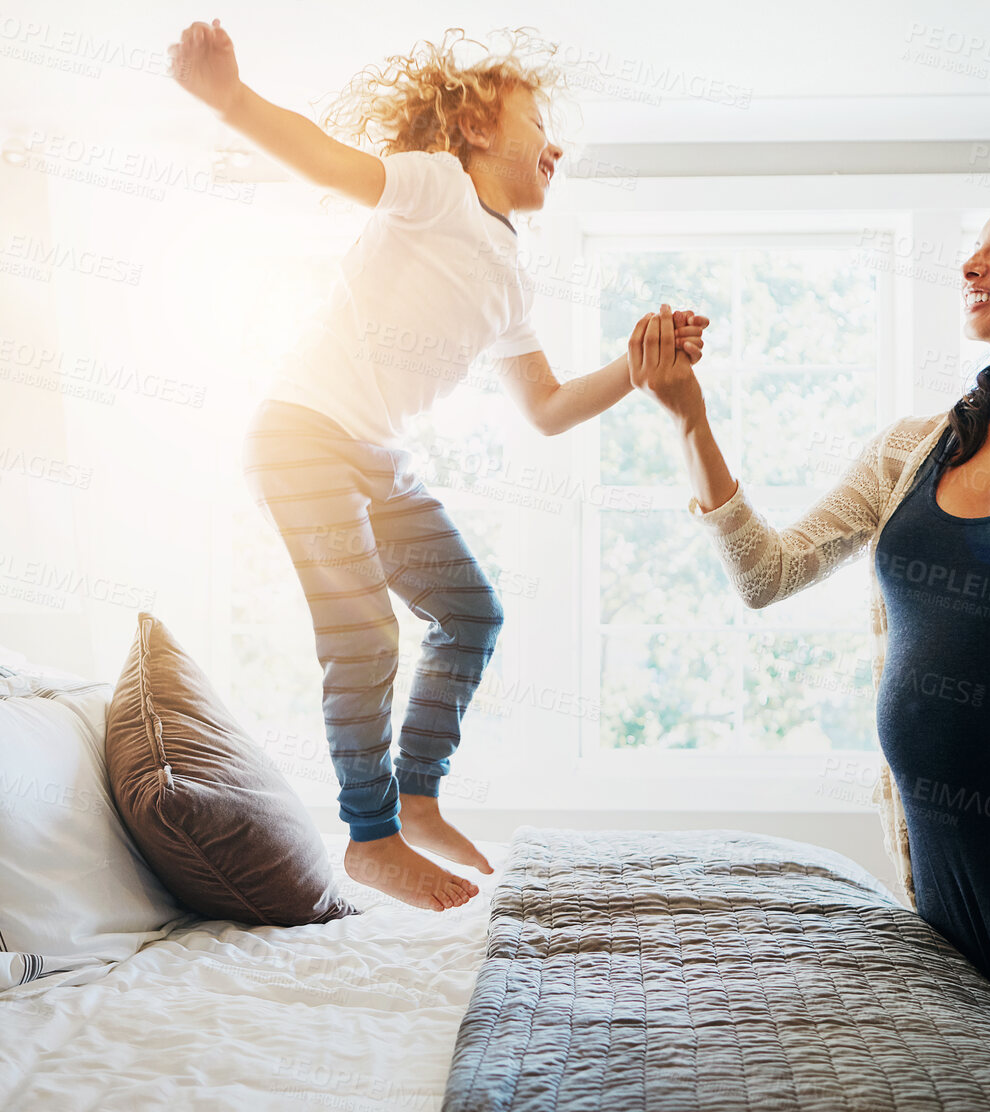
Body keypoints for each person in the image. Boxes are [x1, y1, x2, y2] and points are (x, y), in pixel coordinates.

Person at [628, 190, 990, 1109]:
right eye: (972, 247)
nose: (970, 263)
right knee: (966, 1083)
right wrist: (687, 420)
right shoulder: (910, 452)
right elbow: (766, 572)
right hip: (941, 845)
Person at [168, 21, 709, 910]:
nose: (556, 145)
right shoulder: (434, 187)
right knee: (366, 633)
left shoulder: (513, 277)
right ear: (476, 129)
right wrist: (231, 99)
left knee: (471, 613)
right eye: (538, 123)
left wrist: (637, 362)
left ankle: (417, 793)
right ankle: (370, 836)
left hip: (378, 458)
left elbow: (546, 408)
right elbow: (323, 158)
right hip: (304, 433)